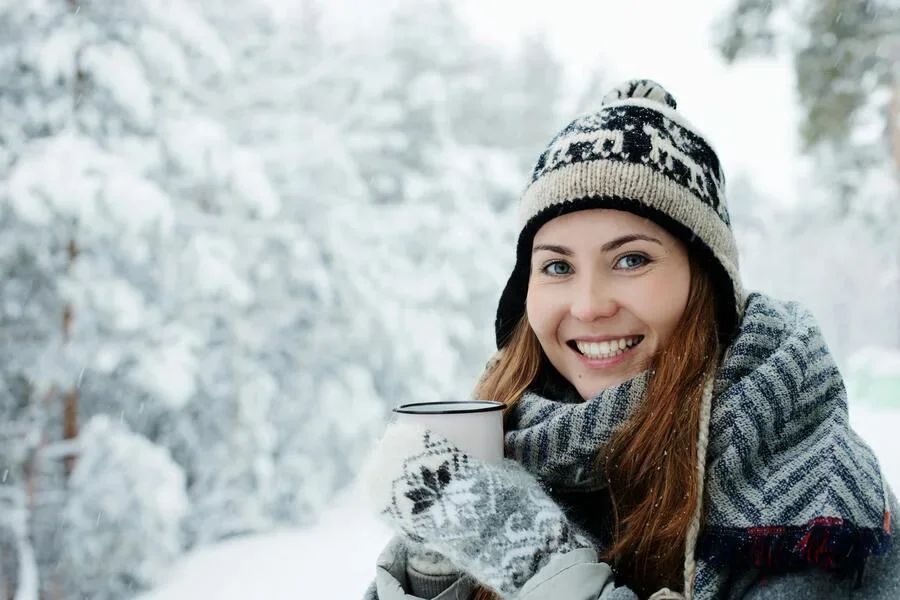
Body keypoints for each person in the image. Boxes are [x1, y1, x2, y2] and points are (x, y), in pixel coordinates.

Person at [360, 79, 899, 600]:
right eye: (557, 266)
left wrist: (538, 565)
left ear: (705, 282)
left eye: (631, 259)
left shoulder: (811, 490)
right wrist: (436, 566)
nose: (589, 306)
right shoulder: (516, 437)